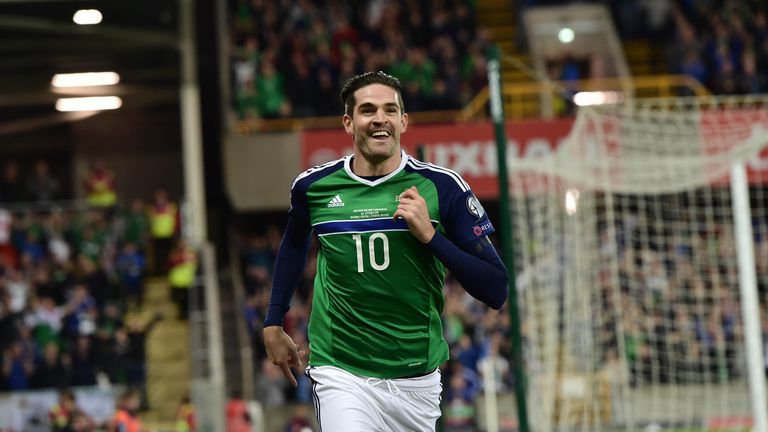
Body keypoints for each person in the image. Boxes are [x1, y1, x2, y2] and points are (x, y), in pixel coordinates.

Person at [262, 71, 508, 431]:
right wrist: (273, 319)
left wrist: (431, 237)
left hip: (416, 379)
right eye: (367, 110)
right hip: (341, 370)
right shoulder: (313, 187)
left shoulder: (443, 188)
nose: (380, 118)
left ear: (403, 121)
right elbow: (295, 243)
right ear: (348, 122)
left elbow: (496, 289)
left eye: (390, 110)